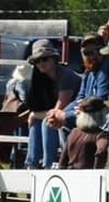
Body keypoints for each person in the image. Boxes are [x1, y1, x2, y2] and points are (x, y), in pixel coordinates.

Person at [24, 39, 80, 169]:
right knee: (37, 122)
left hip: (77, 114)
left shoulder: (66, 76)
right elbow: (39, 107)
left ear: (54, 59)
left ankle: (48, 166)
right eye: (37, 61)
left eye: (45, 59)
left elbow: (57, 112)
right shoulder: (41, 79)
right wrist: (34, 115)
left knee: (46, 122)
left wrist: (34, 115)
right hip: (63, 116)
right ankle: (31, 165)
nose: (41, 63)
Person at [45, 33, 109, 134]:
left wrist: (65, 115)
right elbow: (80, 97)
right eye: (87, 53)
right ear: (81, 54)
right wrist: (62, 113)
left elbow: (98, 102)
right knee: (52, 122)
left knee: (63, 123)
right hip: (86, 113)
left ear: (104, 52)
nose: (92, 56)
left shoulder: (104, 70)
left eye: (96, 51)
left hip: (100, 117)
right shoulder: (88, 72)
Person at [58, 96, 109, 169]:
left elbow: (63, 160)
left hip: (70, 176)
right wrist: (97, 172)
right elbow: (101, 152)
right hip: (89, 177)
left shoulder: (74, 133)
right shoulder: (101, 135)